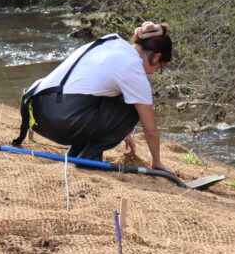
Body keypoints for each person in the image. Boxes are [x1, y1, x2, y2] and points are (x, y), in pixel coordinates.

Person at [14, 22, 175, 175]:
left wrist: (121, 131)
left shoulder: (111, 43)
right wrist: (157, 161)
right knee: (137, 107)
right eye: (158, 67)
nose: (153, 72)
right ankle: (89, 158)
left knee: (117, 97)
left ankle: (77, 153)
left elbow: (94, 88)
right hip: (61, 120)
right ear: (156, 56)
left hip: (36, 111)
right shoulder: (133, 67)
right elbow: (150, 129)